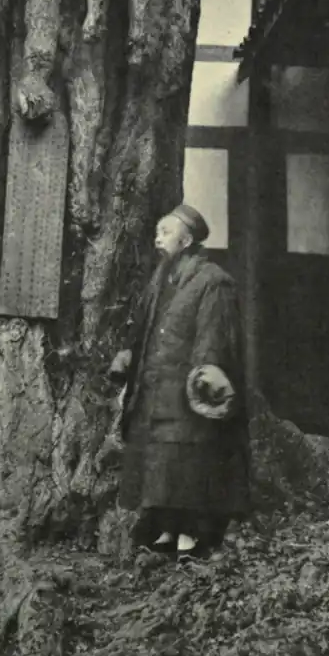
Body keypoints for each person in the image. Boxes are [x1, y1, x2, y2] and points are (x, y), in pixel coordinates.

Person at [108, 203, 250, 561]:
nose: (158, 238)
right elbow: (141, 331)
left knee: (189, 460)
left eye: (165, 232)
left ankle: (191, 534)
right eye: (158, 232)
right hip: (153, 387)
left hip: (185, 390)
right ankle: (167, 528)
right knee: (159, 463)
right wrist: (129, 364)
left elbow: (212, 336)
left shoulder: (212, 281)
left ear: (186, 239)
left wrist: (206, 376)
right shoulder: (160, 280)